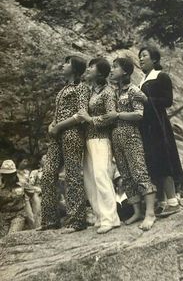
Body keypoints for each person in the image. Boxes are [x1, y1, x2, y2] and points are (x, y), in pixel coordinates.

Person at [104, 57, 157, 230]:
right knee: (125, 175)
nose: (111, 70)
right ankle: (137, 211)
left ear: (125, 71)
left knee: (138, 172)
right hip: (116, 136)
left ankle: (150, 213)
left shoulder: (134, 90)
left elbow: (139, 114)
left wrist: (117, 116)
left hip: (131, 135)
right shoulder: (114, 92)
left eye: (115, 67)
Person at [40, 56, 90, 231]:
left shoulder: (82, 88)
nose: (62, 65)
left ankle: (77, 220)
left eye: (67, 63)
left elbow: (82, 113)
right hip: (56, 137)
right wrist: (51, 125)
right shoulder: (63, 89)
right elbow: (57, 113)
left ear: (75, 68)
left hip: (72, 135)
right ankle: (50, 220)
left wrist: (59, 125)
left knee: (72, 175)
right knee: (47, 175)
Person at [76, 58, 120, 234]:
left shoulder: (108, 92)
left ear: (101, 72)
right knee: (90, 179)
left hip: (102, 138)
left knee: (102, 176)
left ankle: (111, 218)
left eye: (92, 67)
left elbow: (112, 115)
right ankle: (100, 216)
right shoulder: (92, 91)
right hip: (88, 139)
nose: (88, 69)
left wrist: (89, 119)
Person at [138, 45, 183, 216]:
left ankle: (173, 201)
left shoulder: (161, 76)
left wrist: (147, 99)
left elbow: (168, 100)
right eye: (140, 56)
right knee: (153, 161)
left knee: (164, 159)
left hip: (159, 124)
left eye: (144, 55)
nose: (141, 59)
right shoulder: (142, 80)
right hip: (147, 126)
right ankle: (162, 201)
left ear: (154, 59)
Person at [0, 160, 27, 236]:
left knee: (12, 236)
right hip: (3, 216)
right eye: (6, 175)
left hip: (18, 215)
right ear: (2, 175)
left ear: (15, 173)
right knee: (2, 239)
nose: (9, 177)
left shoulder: (22, 183)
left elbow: (34, 195)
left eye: (11, 174)